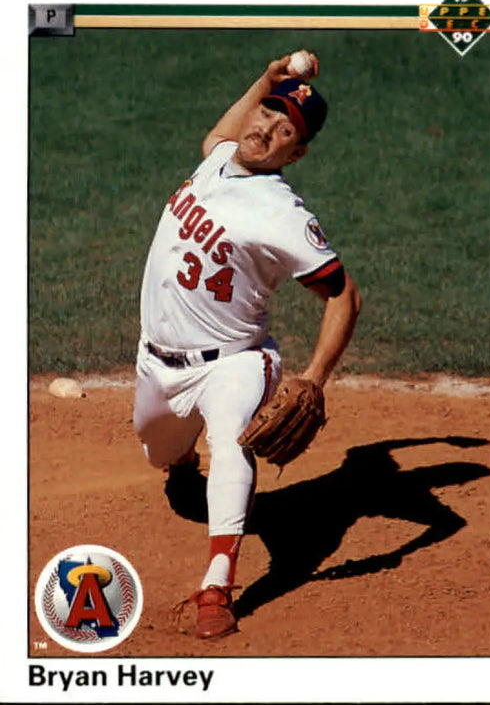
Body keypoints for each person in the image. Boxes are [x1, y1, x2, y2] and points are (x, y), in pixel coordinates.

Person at [133, 52, 362, 640]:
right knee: (160, 455)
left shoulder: (282, 214)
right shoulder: (220, 160)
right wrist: (267, 79)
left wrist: (312, 377)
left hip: (234, 361)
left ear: (297, 152)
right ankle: (180, 456)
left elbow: (344, 297)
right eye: (266, 114)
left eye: (286, 129)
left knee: (232, 438)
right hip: (158, 364)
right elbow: (219, 133)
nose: (265, 130)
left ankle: (218, 585)